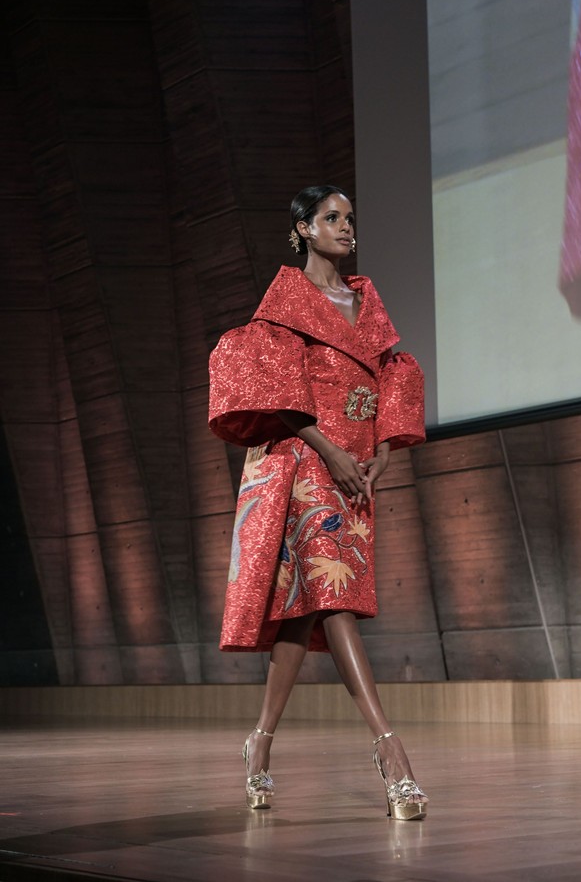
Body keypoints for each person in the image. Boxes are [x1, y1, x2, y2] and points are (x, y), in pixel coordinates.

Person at [208, 185, 428, 820]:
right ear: (303, 229)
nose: (346, 227)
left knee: (304, 614)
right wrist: (330, 451)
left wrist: (382, 452)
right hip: (306, 459)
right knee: (335, 597)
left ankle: (260, 742)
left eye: (350, 218)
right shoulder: (286, 305)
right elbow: (275, 388)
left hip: (356, 467)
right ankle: (391, 750)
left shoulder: (366, 304)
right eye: (331, 218)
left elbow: (390, 379)